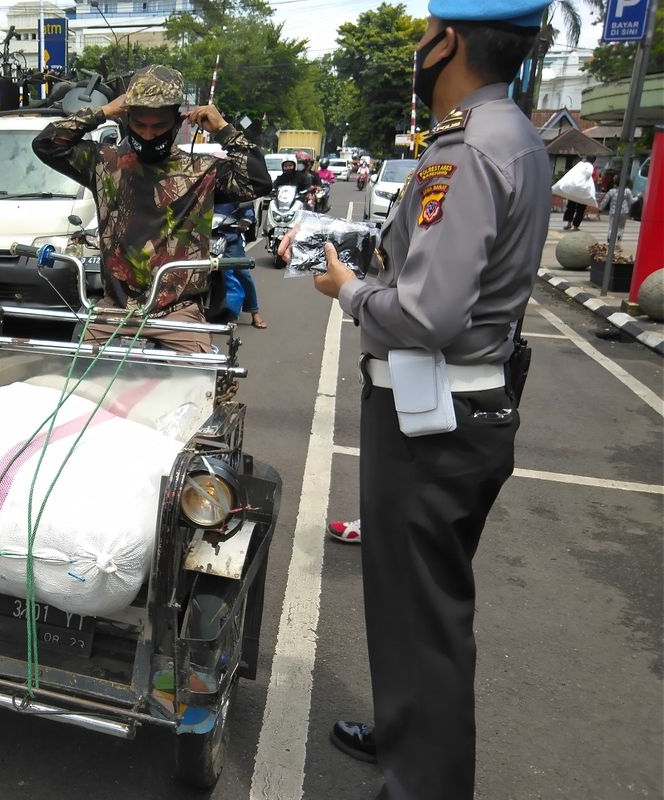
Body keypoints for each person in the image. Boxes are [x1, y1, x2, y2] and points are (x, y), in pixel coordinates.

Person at [286, 2, 552, 797]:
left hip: (433, 414)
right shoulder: (512, 136)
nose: (419, 48)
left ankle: (423, 782)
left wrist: (348, 290)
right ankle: (408, 732)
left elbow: (429, 314)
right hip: (462, 407)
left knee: (422, 615)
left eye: (425, 35)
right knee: (416, 605)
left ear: (451, 42)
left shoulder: (465, 151)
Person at [31, 64, 270, 353]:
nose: (147, 135)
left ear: (176, 122)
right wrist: (102, 112)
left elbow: (258, 181)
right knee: (78, 379)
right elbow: (46, 144)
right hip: (114, 308)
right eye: (139, 125)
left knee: (203, 386)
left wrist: (223, 129)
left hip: (178, 313)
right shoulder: (105, 163)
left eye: (158, 127)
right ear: (127, 118)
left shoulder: (200, 171)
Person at [215, 200, 267, 329]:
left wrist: (246, 219)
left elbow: (247, 208)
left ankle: (254, 311)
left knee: (242, 272)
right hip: (203, 237)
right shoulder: (203, 186)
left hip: (230, 237)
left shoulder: (232, 187)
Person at [598, 172, 633, 241]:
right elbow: (631, 201)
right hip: (624, 211)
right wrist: (638, 197)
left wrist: (600, 208)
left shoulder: (612, 191)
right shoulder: (628, 191)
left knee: (611, 225)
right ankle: (619, 236)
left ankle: (609, 237)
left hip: (613, 211)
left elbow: (605, 200)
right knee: (621, 226)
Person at [561, 157, 593, 231]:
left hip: (575, 190)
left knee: (571, 207)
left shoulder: (578, 168)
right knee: (580, 209)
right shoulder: (590, 170)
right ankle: (575, 226)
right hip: (583, 191)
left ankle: (569, 223)